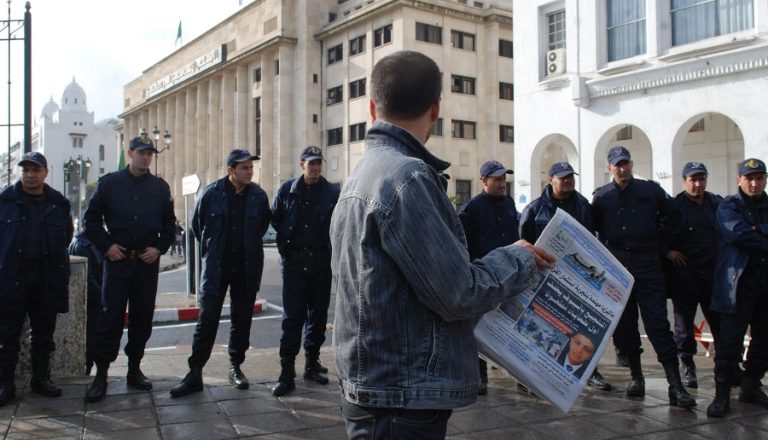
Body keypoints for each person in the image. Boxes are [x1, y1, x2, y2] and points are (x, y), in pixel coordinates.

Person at [330, 50, 555, 439]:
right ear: (436, 109)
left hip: (375, 384)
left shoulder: (361, 174)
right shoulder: (408, 178)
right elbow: (459, 293)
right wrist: (518, 259)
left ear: (371, 108)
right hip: (401, 393)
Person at [592, 146, 695, 408]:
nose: (622, 168)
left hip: (648, 264)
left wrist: (661, 246)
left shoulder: (650, 190)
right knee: (626, 327)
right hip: (620, 269)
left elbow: (675, 216)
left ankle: (675, 385)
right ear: (609, 168)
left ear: (631, 164)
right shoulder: (602, 197)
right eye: (617, 164)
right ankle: (636, 377)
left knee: (658, 324)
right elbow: (594, 229)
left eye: (625, 163)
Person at [83, 135, 176, 402]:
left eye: (150, 154)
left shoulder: (160, 187)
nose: (146, 158)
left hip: (146, 263)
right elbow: (91, 220)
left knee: (142, 318)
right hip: (118, 262)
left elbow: (169, 225)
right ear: (131, 152)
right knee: (110, 318)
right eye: (141, 152)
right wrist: (106, 246)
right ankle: (101, 375)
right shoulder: (110, 184)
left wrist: (159, 248)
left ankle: (134, 369)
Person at [170, 149, 271, 397]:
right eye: (244, 168)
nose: (250, 172)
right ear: (231, 170)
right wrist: (214, 250)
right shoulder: (211, 194)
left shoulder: (258, 196)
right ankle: (195, 372)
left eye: (251, 167)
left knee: (242, 319)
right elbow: (197, 227)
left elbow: (261, 227)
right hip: (217, 267)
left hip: (246, 267)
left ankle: (235, 366)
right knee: (207, 319)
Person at [519, 161, 612, 391]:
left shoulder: (583, 206)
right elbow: (523, 243)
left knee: (584, 325)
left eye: (571, 177)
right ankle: (526, 375)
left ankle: (590, 371)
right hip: (545, 276)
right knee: (541, 323)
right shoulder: (534, 209)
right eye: (563, 177)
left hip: (578, 277)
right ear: (551, 180)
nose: (568, 181)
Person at [0, 152, 73, 407]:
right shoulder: (4, 201)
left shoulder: (59, 203)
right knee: (7, 334)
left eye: (35, 170)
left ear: (45, 172)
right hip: (12, 277)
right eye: (26, 170)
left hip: (46, 277)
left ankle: (41, 378)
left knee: (44, 333)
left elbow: (66, 238)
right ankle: (5, 383)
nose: (30, 175)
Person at [271, 145, 340, 397]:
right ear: (302, 165)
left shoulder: (332, 192)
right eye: (311, 164)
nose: (315, 168)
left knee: (318, 316)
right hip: (294, 264)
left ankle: (312, 363)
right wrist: (287, 245)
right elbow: (276, 218)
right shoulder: (287, 190)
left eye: (319, 163)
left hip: (321, 262)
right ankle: (286, 372)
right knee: (292, 318)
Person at [707, 158, 768, 417]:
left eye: (759, 178)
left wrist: (757, 228)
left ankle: (751, 385)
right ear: (739, 180)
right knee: (730, 341)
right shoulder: (728, 205)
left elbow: (749, 233)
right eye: (749, 178)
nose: (754, 183)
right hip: (738, 284)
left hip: (765, 283)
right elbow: (738, 234)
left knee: (764, 338)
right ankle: (721, 395)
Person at [457, 159, 518, 395]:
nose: (502, 183)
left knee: (510, 324)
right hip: (484, 275)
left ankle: (519, 375)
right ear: (484, 180)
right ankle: (479, 375)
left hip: (510, 274)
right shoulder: (472, 209)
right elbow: (462, 244)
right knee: (480, 327)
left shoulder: (509, 203)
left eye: (504, 179)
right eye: (497, 179)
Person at [664, 162, 722, 389]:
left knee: (719, 323)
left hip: (711, 274)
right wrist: (667, 251)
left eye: (701, 179)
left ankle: (725, 367)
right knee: (684, 326)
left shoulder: (716, 203)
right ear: (684, 181)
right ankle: (687, 364)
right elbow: (659, 234)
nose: (698, 184)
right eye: (693, 180)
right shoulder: (674, 206)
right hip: (685, 275)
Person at [68, 228, 105, 375]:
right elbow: (89, 280)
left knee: (93, 340)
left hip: (92, 301)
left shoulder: (87, 243)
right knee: (91, 341)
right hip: (90, 302)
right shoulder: (83, 246)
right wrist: (104, 296)